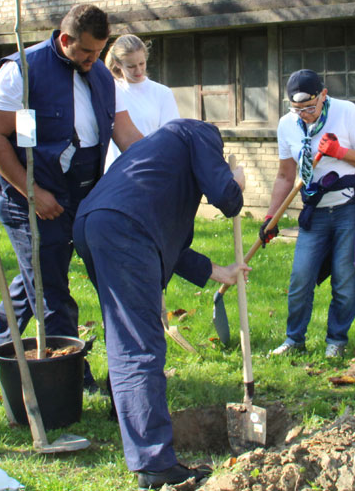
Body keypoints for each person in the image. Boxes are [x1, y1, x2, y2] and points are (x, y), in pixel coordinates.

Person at [0, 5, 143, 388]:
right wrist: (31, 192)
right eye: (86, 52)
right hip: (30, 193)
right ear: (65, 40)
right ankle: (71, 375)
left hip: (82, 191)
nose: (95, 60)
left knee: (39, 272)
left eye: (99, 52)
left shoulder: (99, 75)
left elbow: (125, 134)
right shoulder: (21, 71)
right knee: (52, 289)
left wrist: (162, 162)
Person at [73, 119, 247, 490]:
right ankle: (154, 463)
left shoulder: (158, 163)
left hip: (93, 223)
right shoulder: (198, 132)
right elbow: (227, 198)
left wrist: (222, 272)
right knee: (140, 345)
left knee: (126, 334)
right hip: (124, 229)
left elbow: (176, 248)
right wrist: (238, 180)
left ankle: (127, 419)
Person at [263, 69, 355, 359]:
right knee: (300, 277)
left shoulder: (346, 112)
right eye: (297, 109)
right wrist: (271, 217)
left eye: (310, 107)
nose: (304, 114)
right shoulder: (287, 125)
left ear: (323, 95)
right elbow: (284, 175)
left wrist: (340, 152)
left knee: (344, 279)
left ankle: (337, 341)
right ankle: (294, 340)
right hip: (314, 212)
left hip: (349, 209)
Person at [103, 34, 180, 171]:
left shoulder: (162, 93)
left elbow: (171, 139)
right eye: (131, 66)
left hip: (149, 169)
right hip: (115, 171)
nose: (138, 70)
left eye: (141, 64)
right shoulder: (109, 90)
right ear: (118, 63)